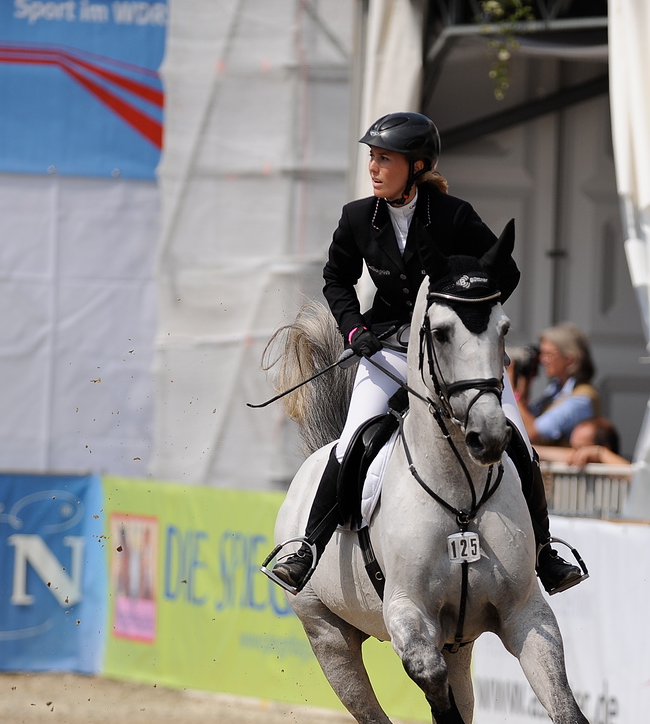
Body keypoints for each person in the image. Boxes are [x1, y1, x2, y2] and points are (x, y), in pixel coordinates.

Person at [270, 111, 584, 596]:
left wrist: (468, 321)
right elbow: (336, 278)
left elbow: (506, 272)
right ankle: (307, 548)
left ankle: (545, 553)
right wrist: (354, 331)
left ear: (416, 167)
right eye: (372, 158)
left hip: (455, 358)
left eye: (385, 159)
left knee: (518, 441)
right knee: (353, 441)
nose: (373, 168)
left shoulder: (454, 215)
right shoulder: (358, 217)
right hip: (388, 351)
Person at [516, 323, 600, 446]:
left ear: (569, 359)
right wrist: (524, 384)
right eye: (541, 353)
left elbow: (532, 433)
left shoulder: (582, 399)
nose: (542, 360)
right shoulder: (555, 389)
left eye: (548, 354)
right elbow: (527, 419)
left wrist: (514, 394)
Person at [537, 417, 631, 469]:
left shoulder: (619, 473)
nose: (574, 453)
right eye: (572, 447)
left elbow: (636, 478)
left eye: (580, 448)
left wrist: (600, 453)